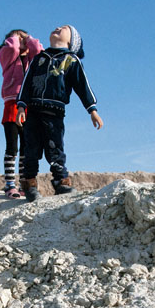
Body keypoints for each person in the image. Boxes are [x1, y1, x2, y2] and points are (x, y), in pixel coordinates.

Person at [16, 24, 102, 202]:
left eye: (64, 28)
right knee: (30, 147)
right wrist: (22, 106)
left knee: (55, 148)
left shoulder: (71, 60)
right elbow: (26, 83)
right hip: (33, 111)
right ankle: (29, 184)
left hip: (54, 113)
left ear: (71, 41)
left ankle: (61, 181)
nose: (57, 28)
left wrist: (92, 109)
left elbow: (82, 86)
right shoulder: (39, 59)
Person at [0, 29, 43, 199]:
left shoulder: (31, 60)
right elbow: (12, 49)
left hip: (28, 106)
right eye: (18, 38)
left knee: (26, 149)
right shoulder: (8, 58)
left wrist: (28, 39)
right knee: (12, 147)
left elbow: (39, 51)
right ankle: (9, 184)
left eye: (24, 38)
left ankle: (23, 184)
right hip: (12, 104)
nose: (22, 41)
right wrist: (14, 38)